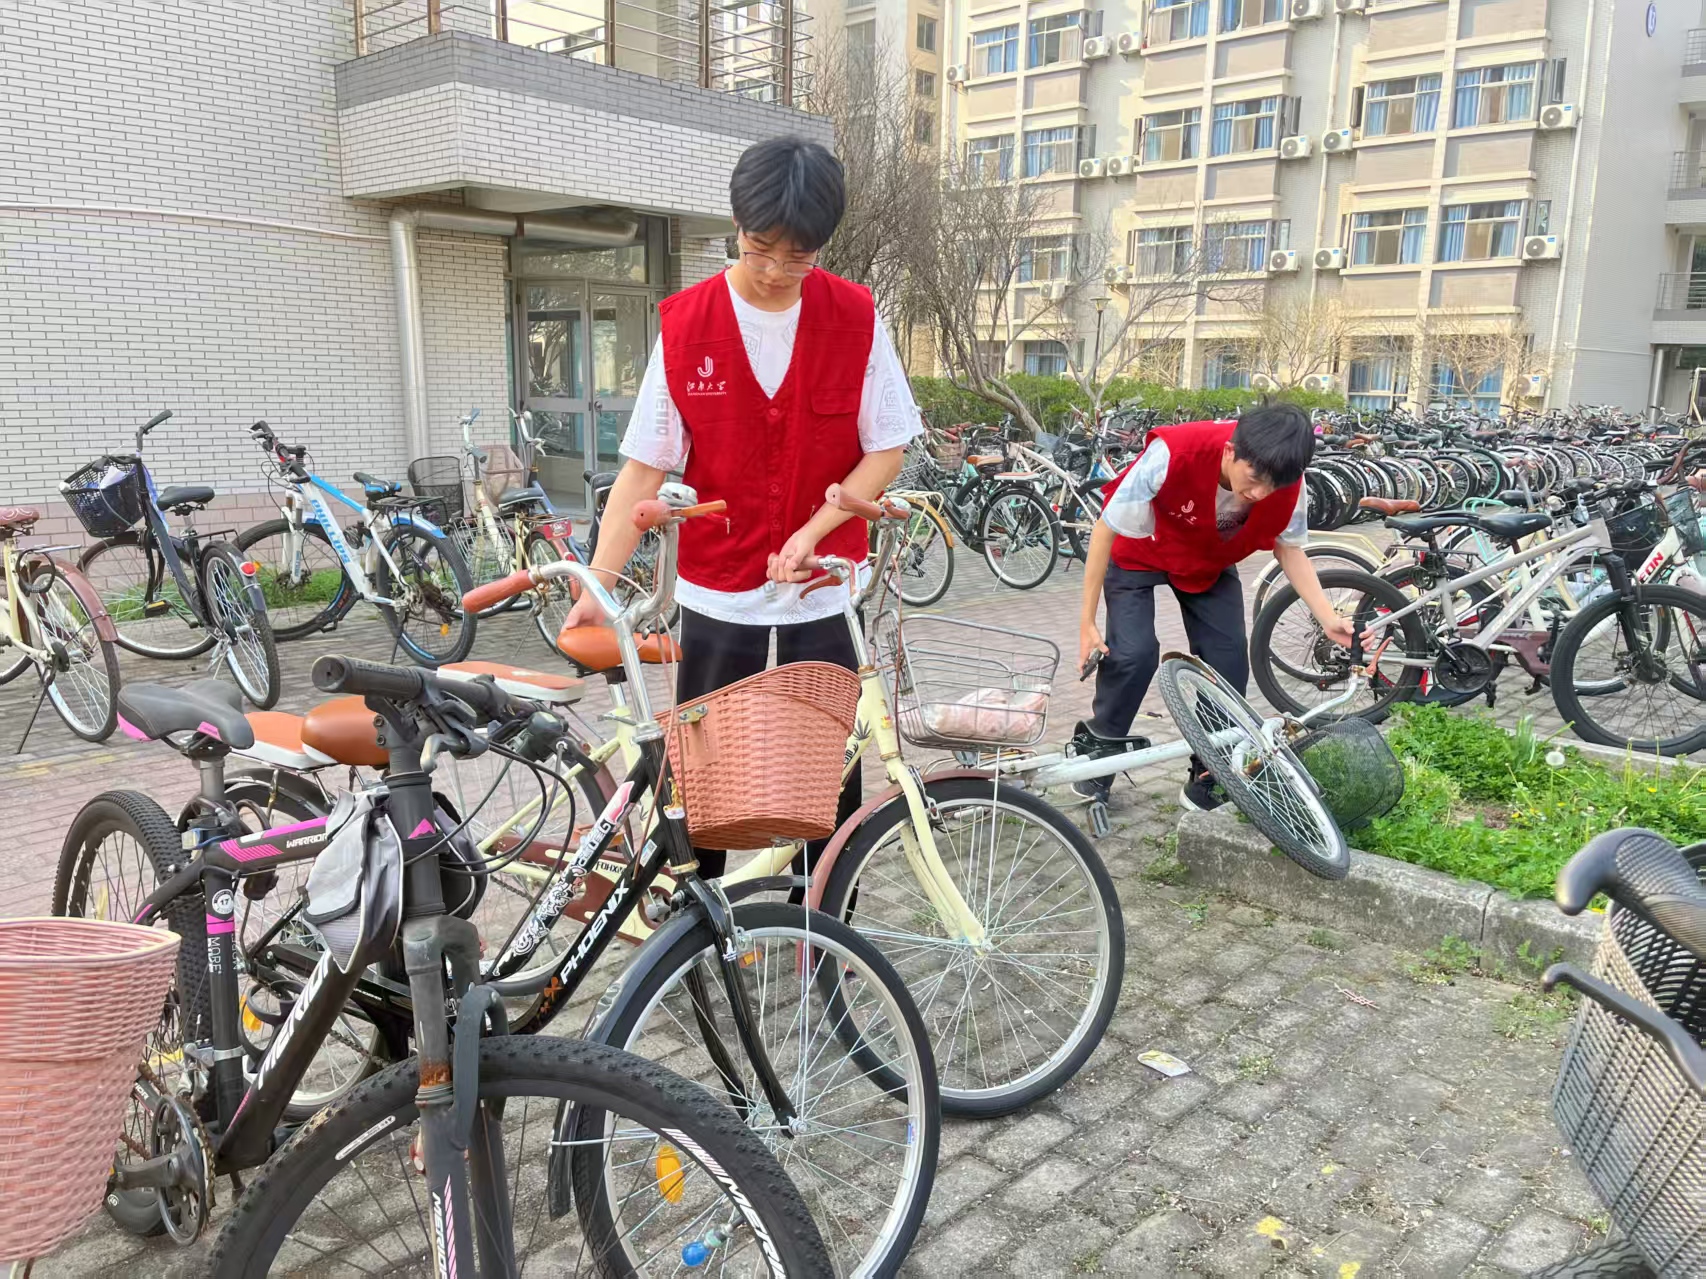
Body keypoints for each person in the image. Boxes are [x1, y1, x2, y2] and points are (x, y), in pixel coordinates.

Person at [563, 135, 921, 876]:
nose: (776, 271)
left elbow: (886, 449)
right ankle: (700, 924)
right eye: (761, 249)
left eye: (799, 257)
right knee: (706, 775)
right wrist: (597, 584)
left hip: (825, 586)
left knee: (827, 771)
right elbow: (643, 470)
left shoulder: (855, 315)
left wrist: (816, 530)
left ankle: (823, 917)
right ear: (737, 226)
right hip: (717, 589)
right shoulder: (687, 322)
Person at [1074, 401, 1354, 810]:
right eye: (1253, 479)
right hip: (1141, 551)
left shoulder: (1288, 480)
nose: (1259, 494)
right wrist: (1087, 623)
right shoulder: (1174, 453)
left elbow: (1289, 549)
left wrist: (1327, 617)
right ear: (1229, 452)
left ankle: (1211, 771)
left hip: (1209, 561)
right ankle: (1098, 756)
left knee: (1228, 660)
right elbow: (1105, 529)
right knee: (1133, 654)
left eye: (1272, 486)